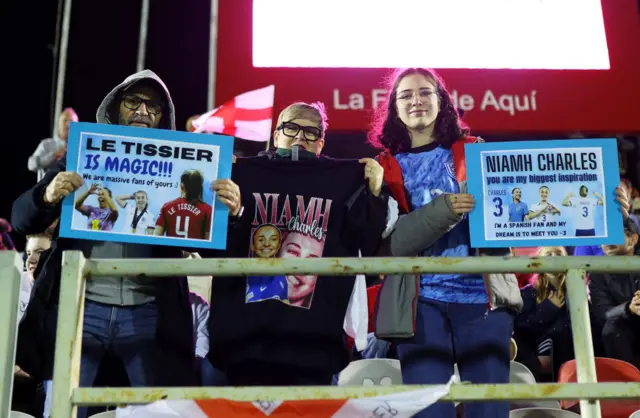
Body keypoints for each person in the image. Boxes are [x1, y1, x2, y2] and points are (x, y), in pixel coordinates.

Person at [11, 70, 242, 418]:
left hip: (149, 310)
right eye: (133, 101)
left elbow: (213, 248)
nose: (143, 111)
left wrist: (232, 213)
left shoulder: (186, 167)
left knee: (154, 414)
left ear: (164, 117)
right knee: (61, 411)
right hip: (80, 307)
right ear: (116, 106)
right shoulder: (81, 153)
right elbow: (20, 219)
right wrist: (46, 194)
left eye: (153, 106)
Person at [368, 67, 529, 418]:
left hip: (484, 302)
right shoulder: (384, 168)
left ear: (442, 101)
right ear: (393, 108)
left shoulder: (476, 153)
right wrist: (442, 211)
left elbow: (526, 217)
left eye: (425, 92)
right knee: (429, 414)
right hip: (419, 306)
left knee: (489, 413)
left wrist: (604, 206)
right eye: (406, 95)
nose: (417, 101)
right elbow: (387, 248)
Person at [207, 101, 388, 386]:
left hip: (313, 342)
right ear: (275, 135)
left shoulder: (345, 180)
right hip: (246, 338)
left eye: (310, 132)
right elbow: (212, 247)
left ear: (321, 143)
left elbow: (367, 241)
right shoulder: (240, 175)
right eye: (291, 128)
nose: (300, 137)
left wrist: (375, 192)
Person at [513, 246, 574, 381]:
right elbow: (522, 327)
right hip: (539, 344)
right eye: (548, 254)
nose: (553, 257)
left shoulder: (576, 289)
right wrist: (550, 308)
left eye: (558, 254)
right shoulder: (528, 292)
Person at [590, 219, 640, 368]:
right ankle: (626, 386)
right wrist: (629, 308)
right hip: (623, 328)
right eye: (603, 236)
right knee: (611, 328)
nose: (607, 241)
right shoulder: (597, 272)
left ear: (633, 239)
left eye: (613, 234)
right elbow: (603, 314)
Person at [155, 169, 213, 240]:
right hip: (195, 250)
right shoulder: (208, 210)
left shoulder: (167, 207)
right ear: (200, 187)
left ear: (182, 186)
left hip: (170, 250)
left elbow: (156, 237)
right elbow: (208, 241)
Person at [28, 108, 79, 181]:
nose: (68, 124)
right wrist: (54, 155)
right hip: (47, 190)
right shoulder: (46, 144)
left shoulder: (79, 147)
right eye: (65, 120)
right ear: (59, 123)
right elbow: (31, 165)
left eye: (71, 121)